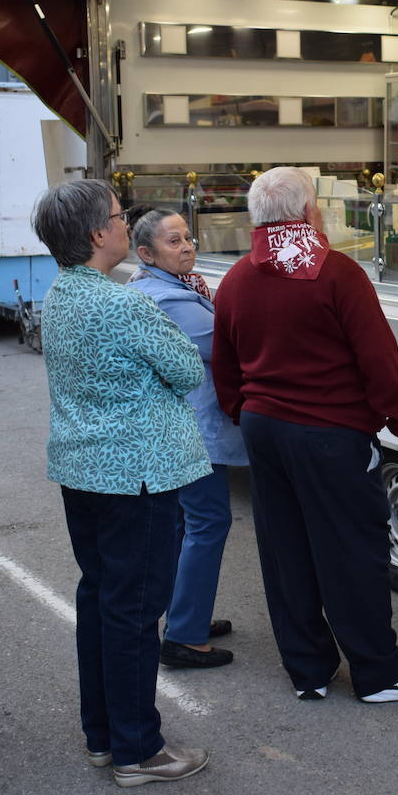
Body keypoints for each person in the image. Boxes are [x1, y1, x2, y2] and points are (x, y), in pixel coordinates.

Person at [211, 165, 398, 704]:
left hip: (264, 429)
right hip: (329, 433)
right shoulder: (336, 273)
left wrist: (243, 413)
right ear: (307, 212)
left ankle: (308, 670)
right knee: (350, 552)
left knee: (284, 549)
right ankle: (380, 674)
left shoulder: (237, 279)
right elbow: (378, 361)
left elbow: (224, 366)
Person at [31, 180, 211, 786]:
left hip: (84, 470)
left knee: (103, 601)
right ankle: (139, 749)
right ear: (95, 235)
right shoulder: (123, 302)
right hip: (139, 474)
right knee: (135, 612)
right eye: (117, 215)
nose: (122, 222)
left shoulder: (58, 295)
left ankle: (104, 734)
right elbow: (187, 368)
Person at [126, 206, 246, 670]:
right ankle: (184, 635)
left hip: (179, 430)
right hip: (193, 433)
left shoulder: (166, 287)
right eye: (173, 242)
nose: (187, 246)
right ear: (146, 253)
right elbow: (225, 344)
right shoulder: (169, 298)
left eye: (188, 237)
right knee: (207, 523)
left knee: (185, 524)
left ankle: (185, 615)